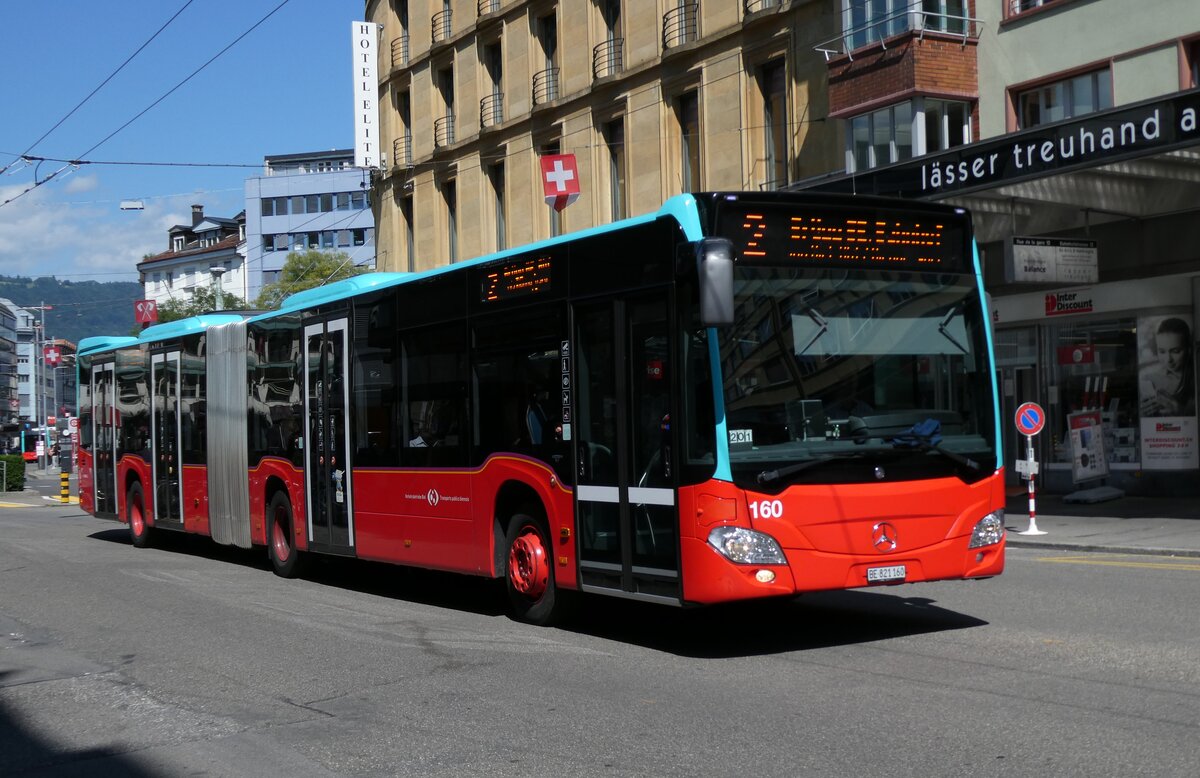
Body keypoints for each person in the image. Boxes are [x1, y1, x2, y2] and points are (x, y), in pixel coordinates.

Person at [1140, 317, 1195, 417]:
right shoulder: (1150, 380)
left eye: (1175, 351)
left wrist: (1180, 411)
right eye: (1162, 351)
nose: (1168, 359)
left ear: (1189, 349)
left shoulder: (1195, 377)